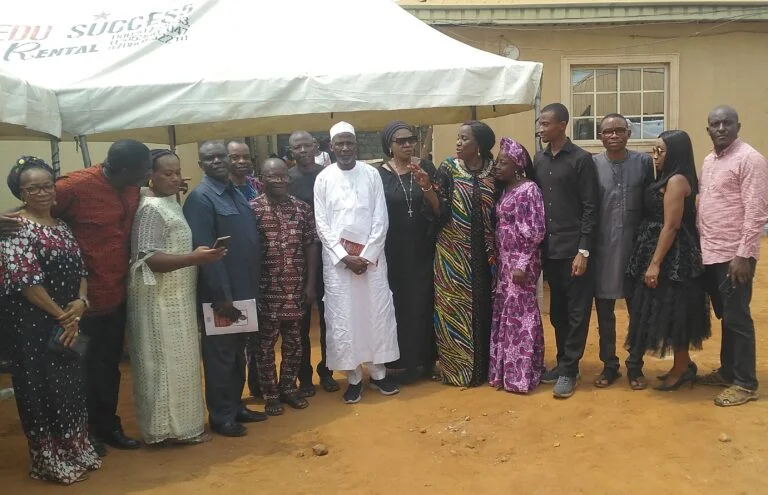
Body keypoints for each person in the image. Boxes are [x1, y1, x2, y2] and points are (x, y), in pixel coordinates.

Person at [0, 157, 101, 484]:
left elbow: (82, 271)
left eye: (47, 185)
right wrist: (63, 317)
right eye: (33, 188)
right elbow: (26, 282)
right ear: (21, 191)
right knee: (40, 389)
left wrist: (81, 303)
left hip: (69, 318)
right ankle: (50, 460)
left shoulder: (63, 226)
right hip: (32, 324)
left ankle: (77, 450)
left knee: (70, 387)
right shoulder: (15, 228)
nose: (42, 193)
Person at [53, 139, 151, 454]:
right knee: (75, 369)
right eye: (141, 172)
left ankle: (108, 427)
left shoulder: (132, 187)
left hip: (116, 296)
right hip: (77, 302)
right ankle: (80, 435)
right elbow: (36, 209)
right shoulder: (74, 186)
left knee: (108, 366)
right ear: (122, 170)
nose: (144, 177)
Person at [126, 149, 226, 445]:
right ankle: (163, 431)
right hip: (158, 301)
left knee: (181, 364)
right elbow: (148, 259)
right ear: (150, 176)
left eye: (177, 172)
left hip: (178, 298)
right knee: (163, 366)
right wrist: (195, 258)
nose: (174, 177)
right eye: (166, 173)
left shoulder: (167, 202)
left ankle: (185, 428)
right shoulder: (150, 210)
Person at [183, 140, 267, 437]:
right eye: (210, 158)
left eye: (221, 156)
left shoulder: (237, 193)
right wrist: (222, 296)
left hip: (244, 290)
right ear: (201, 164)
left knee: (237, 352)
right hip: (222, 296)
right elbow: (205, 251)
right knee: (220, 355)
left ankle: (236, 405)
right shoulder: (201, 199)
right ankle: (221, 416)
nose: (217, 161)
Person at [314, 121, 400, 404]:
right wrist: (344, 256)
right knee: (344, 316)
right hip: (339, 266)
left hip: (371, 261)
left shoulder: (371, 174)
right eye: (340, 143)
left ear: (356, 145)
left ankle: (378, 374)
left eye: (349, 142)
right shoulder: (323, 178)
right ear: (331, 147)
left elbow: (381, 218)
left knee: (375, 313)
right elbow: (322, 224)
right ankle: (352, 377)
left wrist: (366, 255)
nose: (345, 147)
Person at [625, 130, 710, 391]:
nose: (655, 156)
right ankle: (681, 365)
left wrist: (655, 263)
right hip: (659, 249)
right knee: (666, 310)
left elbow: (671, 226)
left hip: (673, 258)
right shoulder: (667, 178)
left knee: (675, 311)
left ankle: (682, 368)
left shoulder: (676, 181)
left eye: (661, 151)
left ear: (676, 153)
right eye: (654, 150)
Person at [698, 105, 768, 407]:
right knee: (727, 315)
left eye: (727, 123)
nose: (721, 128)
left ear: (738, 126)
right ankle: (728, 371)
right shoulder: (709, 160)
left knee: (738, 317)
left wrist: (744, 254)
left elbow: (756, 211)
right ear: (708, 129)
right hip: (711, 252)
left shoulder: (750, 159)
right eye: (715, 123)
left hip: (734, 255)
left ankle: (745, 382)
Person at [533, 103, 598, 399]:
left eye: (546, 124)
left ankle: (570, 370)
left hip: (574, 251)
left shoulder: (582, 160)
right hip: (550, 250)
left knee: (576, 312)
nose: (541, 128)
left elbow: (590, 207)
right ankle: (562, 362)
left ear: (562, 125)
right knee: (558, 311)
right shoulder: (539, 159)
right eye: (540, 123)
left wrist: (583, 250)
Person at [249, 158, 320, 415]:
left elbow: (311, 244)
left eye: (282, 176)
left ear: (288, 178)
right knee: (265, 345)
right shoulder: (252, 210)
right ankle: (270, 393)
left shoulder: (301, 209)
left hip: (295, 288)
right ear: (262, 178)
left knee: (294, 343)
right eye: (272, 176)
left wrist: (311, 284)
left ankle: (289, 388)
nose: (278, 180)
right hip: (266, 290)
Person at [592, 114, 655, 388]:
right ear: (600, 136)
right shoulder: (592, 165)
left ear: (628, 133)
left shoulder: (643, 163)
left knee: (637, 310)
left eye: (619, 130)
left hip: (636, 248)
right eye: (608, 131)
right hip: (602, 249)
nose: (614, 135)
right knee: (605, 311)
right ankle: (609, 365)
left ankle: (635, 366)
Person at [433, 121, 497, 387]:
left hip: (487, 256)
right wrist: (427, 188)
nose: (458, 143)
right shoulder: (448, 168)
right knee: (452, 309)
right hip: (452, 253)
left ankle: (485, 369)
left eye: (464, 139)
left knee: (486, 309)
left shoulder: (495, 170)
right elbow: (437, 210)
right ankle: (455, 370)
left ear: (478, 146)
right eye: (458, 138)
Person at [378, 121, 439, 384]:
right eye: (400, 141)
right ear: (389, 146)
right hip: (392, 252)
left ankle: (426, 360)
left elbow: (438, 207)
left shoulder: (426, 167)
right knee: (398, 306)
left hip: (423, 248)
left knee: (424, 303)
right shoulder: (378, 174)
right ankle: (399, 364)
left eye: (410, 139)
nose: (406, 144)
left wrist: (426, 185)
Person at [488, 138, 546, 394]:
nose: (497, 167)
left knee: (521, 317)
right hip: (505, 263)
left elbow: (534, 232)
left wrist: (521, 264)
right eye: (497, 162)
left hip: (521, 264)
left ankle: (521, 376)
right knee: (508, 316)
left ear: (518, 165)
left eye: (503, 162)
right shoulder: (507, 190)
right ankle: (505, 372)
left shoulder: (528, 189)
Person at [288, 130, 340, 395]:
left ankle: (327, 370)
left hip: (330, 258)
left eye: (306, 145)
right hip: (298, 260)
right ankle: (304, 374)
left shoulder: (329, 175)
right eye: (296, 147)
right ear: (291, 151)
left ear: (316, 146)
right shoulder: (287, 180)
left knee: (329, 318)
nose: (302, 151)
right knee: (301, 321)